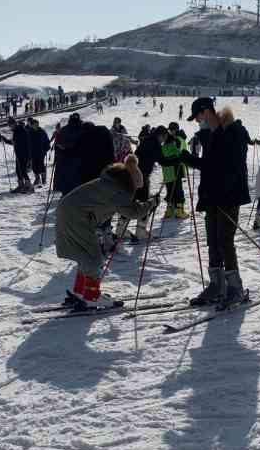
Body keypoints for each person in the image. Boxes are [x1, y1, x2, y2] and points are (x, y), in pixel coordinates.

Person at [55, 156, 155, 309]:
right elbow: (133, 212)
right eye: (136, 187)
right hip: (77, 217)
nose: (135, 191)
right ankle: (91, 296)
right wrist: (151, 204)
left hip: (68, 210)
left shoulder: (110, 182)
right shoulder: (118, 190)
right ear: (131, 182)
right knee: (93, 258)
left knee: (85, 255)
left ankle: (81, 292)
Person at [179, 97, 251, 308]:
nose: (196, 121)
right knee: (213, 240)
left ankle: (235, 288)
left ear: (206, 111)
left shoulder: (233, 132)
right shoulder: (210, 135)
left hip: (228, 196)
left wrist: (195, 160)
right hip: (212, 197)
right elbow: (211, 166)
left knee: (225, 241)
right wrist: (190, 159)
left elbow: (230, 165)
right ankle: (217, 285)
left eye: (197, 117)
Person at [161, 123, 188, 218]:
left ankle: (176, 210)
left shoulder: (177, 139)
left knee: (176, 189)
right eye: (170, 129)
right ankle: (172, 210)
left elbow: (182, 152)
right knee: (173, 190)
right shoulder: (169, 140)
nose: (171, 131)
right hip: (170, 169)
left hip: (175, 168)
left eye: (172, 129)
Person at [0, 118, 33, 193]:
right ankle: (21, 185)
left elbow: (16, 142)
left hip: (23, 153)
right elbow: (15, 142)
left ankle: (29, 186)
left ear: (14, 123)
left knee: (22, 170)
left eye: (10, 125)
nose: (10, 127)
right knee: (18, 170)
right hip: (20, 153)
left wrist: (6, 140)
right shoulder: (18, 130)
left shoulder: (20, 130)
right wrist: (6, 140)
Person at [28, 118, 51, 186]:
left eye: (37, 124)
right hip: (33, 152)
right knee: (34, 166)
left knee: (41, 165)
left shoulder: (42, 131)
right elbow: (27, 142)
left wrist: (46, 148)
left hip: (41, 151)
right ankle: (37, 179)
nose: (36, 125)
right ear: (31, 125)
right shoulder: (29, 132)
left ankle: (43, 179)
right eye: (34, 124)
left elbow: (47, 140)